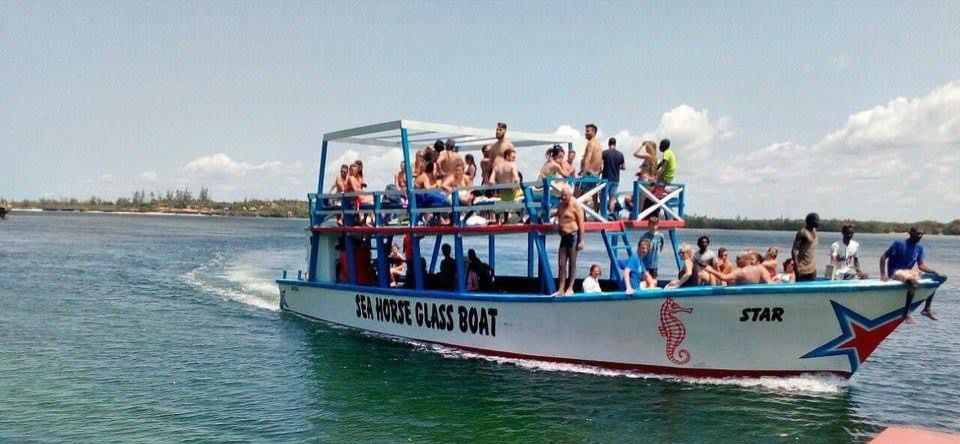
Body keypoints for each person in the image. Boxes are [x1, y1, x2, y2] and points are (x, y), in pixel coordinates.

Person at [880, 226, 944, 322]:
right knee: (913, 282)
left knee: (934, 279)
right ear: (911, 233)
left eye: (922, 234)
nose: (920, 236)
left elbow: (921, 265)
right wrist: (883, 274)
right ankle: (906, 313)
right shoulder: (899, 244)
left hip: (908, 271)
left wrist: (933, 271)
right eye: (918, 233)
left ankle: (926, 309)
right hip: (895, 271)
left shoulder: (919, 247)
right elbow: (883, 257)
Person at [554, 186, 585, 296]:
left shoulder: (576, 205)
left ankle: (570, 287)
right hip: (564, 237)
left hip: (573, 236)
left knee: (572, 263)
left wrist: (581, 240)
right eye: (562, 195)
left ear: (570, 195)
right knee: (561, 263)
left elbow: (581, 223)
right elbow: (558, 215)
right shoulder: (561, 205)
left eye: (565, 196)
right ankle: (561, 288)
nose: (563, 197)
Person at [489, 148, 521, 224]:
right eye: (513, 157)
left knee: (502, 200)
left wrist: (498, 186)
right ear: (507, 156)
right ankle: (522, 218)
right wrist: (516, 186)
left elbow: (491, 181)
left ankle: (503, 220)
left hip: (502, 195)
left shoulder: (497, 167)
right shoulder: (512, 165)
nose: (514, 159)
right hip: (512, 194)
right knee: (526, 195)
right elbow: (517, 179)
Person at [707, 251, 772, 285]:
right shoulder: (760, 268)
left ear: (746, 260)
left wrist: (711, 270)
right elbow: (769, 282)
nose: (736, 261)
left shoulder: (740, 271)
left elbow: (724, 277)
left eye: (738, 259)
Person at [579, 124, 603, 208]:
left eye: (587, 131)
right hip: (595, 174)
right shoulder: (598, 144)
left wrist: (583, 173)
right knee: (594, 196)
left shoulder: (590, 143)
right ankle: (596, 213)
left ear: (593, 132)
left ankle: (579, 214)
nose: (585, 133)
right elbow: (601, 160)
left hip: (588, 174)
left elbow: (588, 158)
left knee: (577, 196)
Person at [601, 136, 625, 218]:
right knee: (612, 198)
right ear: (615, 144)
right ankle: (611, 214)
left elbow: (600, 164)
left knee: (603, 197)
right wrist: (617, 166)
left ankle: (603, 215)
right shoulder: (620, 154)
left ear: (609, 144)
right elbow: (623, 167)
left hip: (606, 178)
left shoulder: (604, 153)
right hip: (616, 179)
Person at [792, 212, 819, 282]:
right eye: (816, 221)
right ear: (809, 221)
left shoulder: (814, 231)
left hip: (812, 268)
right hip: (802, 269)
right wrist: (796, 267)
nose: (818, 223)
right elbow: (794, 250)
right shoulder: (802, 233)